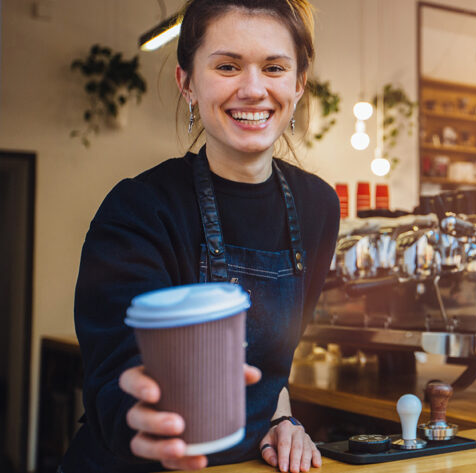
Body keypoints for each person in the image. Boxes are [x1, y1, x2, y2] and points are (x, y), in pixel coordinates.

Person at [60, 1, 339, 471]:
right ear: (186, 82)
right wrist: (146, 420)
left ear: (298, 83)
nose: (253, 89)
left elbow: (275, 364)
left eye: (274, 67)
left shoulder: (318, 207)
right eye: (227, 66)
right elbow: (116, 375)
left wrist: (282, 419)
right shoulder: (138, 208)